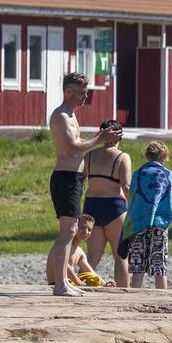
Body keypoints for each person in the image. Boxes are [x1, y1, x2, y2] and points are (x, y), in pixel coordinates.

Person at [47, 72, 120, 297]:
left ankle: (63, 282)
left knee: (69, 232)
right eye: (80, 92)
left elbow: (77, 145)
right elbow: (72, 147)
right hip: (66, 178)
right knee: (68, 231)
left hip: (74, 178)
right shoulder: (61, 116)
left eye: (86, 92)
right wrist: (100, 139)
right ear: (68, 91)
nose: (85, 97)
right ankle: (60, 285)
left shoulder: (71, 115)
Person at [83, 119, 132, 288]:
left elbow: (80, 181)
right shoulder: (122, 157)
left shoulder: (89, 156)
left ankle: (81, 287)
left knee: (93, 256)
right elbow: (126, 186)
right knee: (120, 255)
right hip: (115, 206)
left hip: (91, 205)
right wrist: (134, 207)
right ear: (120, 137)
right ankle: (123, 294)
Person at [121, 140, 172, 290]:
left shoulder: (137, 174)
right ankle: (162, 299)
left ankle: (136, 297)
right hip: (159, 223)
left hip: (138, 223)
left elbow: (133, 198)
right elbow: (168, 201)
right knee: (159, 266)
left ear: (147, 155)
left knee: (138, 267)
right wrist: (167, 218)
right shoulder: (168, 174)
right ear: (164, 156)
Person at [46, 215, 110, 288]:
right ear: (75, 226)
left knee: (92, 279)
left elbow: (89, 271)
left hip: (69, 284)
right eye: (82, 227)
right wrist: (78, 282)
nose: (86, 232)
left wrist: (103, 283)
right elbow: (64, 264)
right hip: (55, 285)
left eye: (89, 230)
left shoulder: (80, 252)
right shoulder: (64, 246)